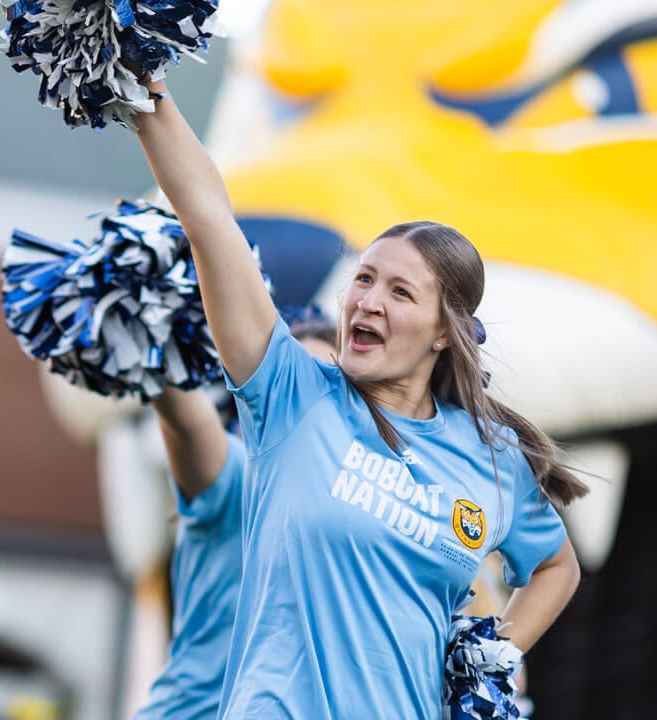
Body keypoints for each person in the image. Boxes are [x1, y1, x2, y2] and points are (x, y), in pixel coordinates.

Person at [129, 77, 587, 716]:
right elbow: (207, 216)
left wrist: (495, 657)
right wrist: (143, 88)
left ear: (441, 334)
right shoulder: (293, 396)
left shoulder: (491, 461)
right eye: (363, 279)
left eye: (400, 293)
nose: (368, 300)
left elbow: (555, 568)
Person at [135, 319, 337, 720]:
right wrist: (149, 321)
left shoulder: (365, 518)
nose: (305, 405)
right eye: (292, 386)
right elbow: (186, 415)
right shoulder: (235, 477)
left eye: (326, 390)